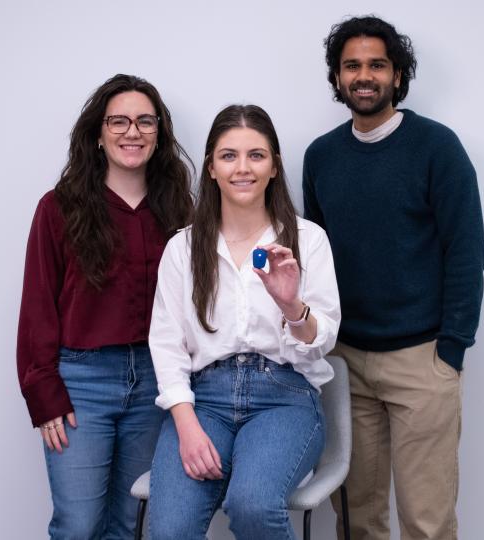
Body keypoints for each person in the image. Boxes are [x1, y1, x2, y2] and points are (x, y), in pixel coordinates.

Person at [303, 16, 484, 540]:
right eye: (352, 66)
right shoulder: (321, 157)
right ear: (337, 77)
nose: (364, 76)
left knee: (426, 521)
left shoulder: (437, 148)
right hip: (346, 361)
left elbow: (467, 252)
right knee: (357, 519)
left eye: (377, 65)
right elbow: (317, 258)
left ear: (398, 76)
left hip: (422, 360)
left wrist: (451, 348)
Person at [146, 104, 341, 539]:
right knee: (171, 529)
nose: (243, 168)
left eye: (256, 155)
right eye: (229, 155)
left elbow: (323, 339)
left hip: (284, 398)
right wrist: (186, 426)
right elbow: (166, 343)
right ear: (211, 168)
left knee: (253, 506)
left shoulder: (308, 241)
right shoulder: (182, 249)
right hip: (203, 401)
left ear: (274, 166)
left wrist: (291, 306)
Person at [16, 74, 193, 539]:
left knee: (131, 524)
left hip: (156, 381)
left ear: (159, 133)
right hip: (80, 385)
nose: (132, 132)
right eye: (119, 121)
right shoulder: (58, 208)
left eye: (145, 121)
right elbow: (37, 305)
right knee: (78, 526)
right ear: (98, 133)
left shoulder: (179, 211)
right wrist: (43, 394)